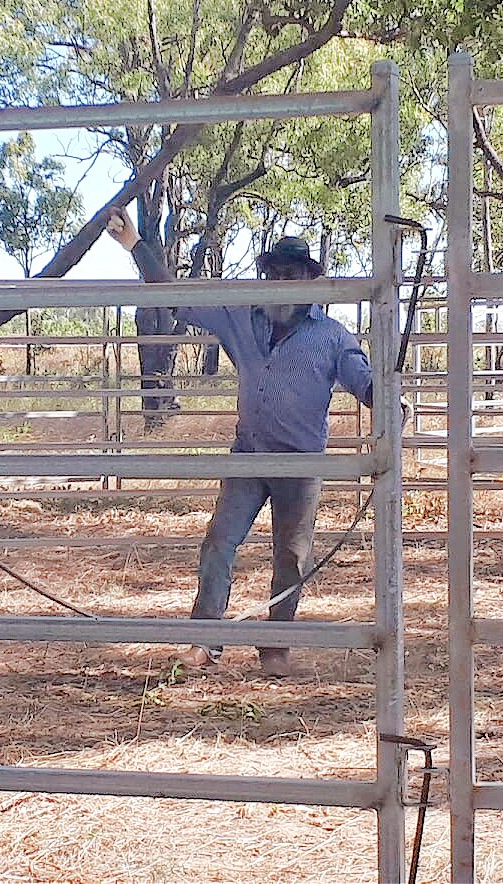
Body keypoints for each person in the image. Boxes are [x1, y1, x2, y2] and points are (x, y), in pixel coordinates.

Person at [105, 209, 376, 678]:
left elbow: (362, 378)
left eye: (291, 275)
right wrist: (136, 245)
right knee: (219, 542)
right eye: (273, 274)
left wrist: (388, 400)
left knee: (291, 556)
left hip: (300, 462)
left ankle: (277, 644)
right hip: (248, 454)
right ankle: (206, 641)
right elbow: (177, 297)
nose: (280, 283)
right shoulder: (239, 315)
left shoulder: (332, 336)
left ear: (310, 281)